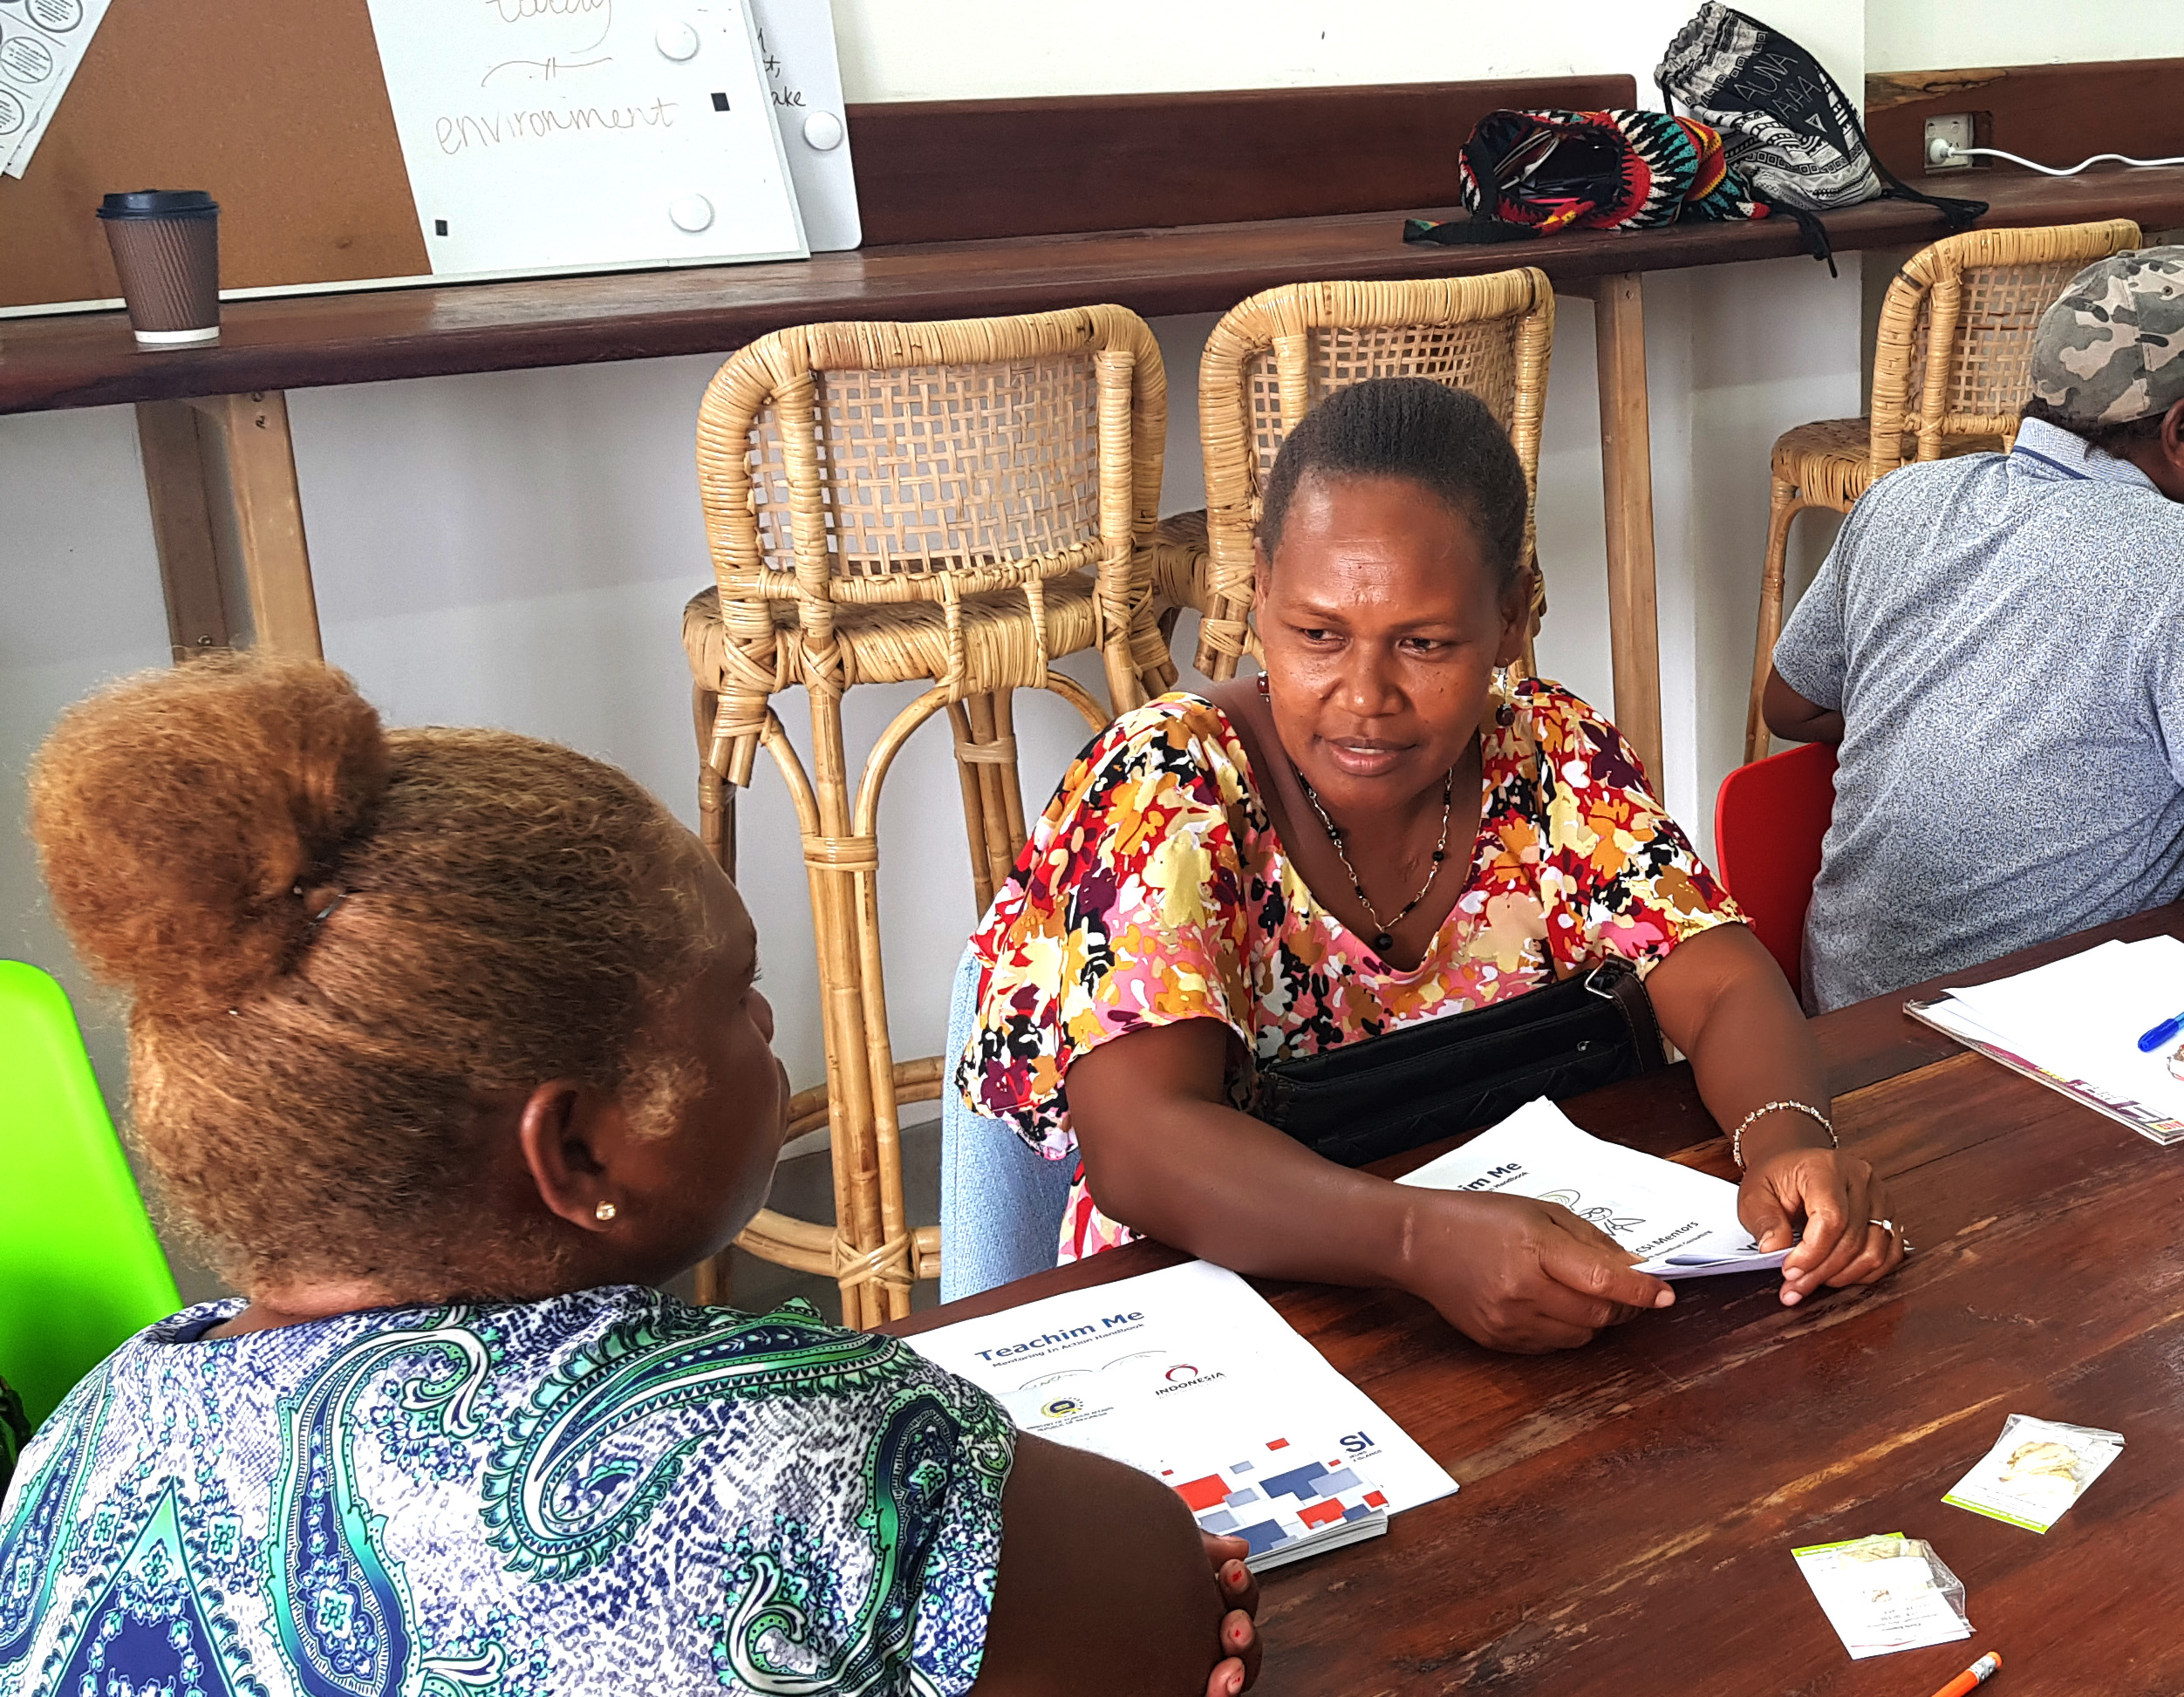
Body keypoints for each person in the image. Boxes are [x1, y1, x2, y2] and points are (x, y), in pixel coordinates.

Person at [2, 658, 1259, 1697]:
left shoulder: (88, 1434)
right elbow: (1161, 1600)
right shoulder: (783, 1446)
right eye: (733, 990)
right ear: (577, 1152)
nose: (768, 1020)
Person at [957, 378, 1900, 1354]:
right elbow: (1143, 1145)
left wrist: (1787, 1139)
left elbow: (1723, 982)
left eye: (1425, 643)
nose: (1366, 695)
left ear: (1513, 617)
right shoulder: (1164, 784)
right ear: (1260, 592)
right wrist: (1416, 1241)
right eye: (1318, 634)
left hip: (1520, 1300)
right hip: (1214, 1330)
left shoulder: (1550, 757)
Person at [1757, 245, 2184, 1011]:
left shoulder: (1904, 500)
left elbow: (1789, 706)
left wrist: (1960, 719)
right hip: (2041, 1037)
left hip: (1845, 1022)